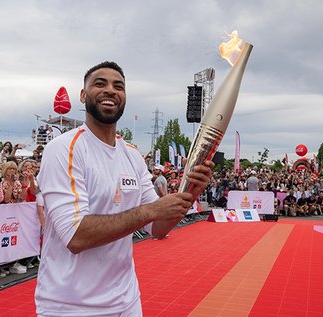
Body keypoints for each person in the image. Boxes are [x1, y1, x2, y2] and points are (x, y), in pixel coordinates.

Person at [35, 61, 213, 316]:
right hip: (71, 306)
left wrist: (191, 191)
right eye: (100, 84)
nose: (110, 90)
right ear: (83, 95)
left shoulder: (132, 155)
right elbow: (76, 237)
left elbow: (158, 229)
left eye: (118, 86)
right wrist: (151, 210)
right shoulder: (64, 149)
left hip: (126, 301)